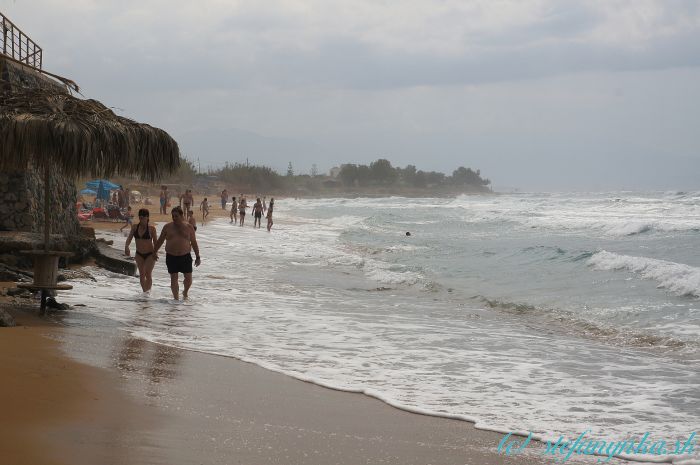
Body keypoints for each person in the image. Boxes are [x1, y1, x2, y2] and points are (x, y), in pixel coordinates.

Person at [154, 206, 201, 300]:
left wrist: (197, 256)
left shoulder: (189, 227)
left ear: (181, 216)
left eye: (176, 216)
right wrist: (154, 251)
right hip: (171, 256)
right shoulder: (167, 227)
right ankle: (176, 299)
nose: (174, 218)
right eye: (173, 216)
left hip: (185, 256)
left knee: (188, 279)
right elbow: (160, 240)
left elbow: (194, 242)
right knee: (173, 278)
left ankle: (185, 292)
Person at [124, 208, 159, 292]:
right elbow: (129, 238)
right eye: (140, 216)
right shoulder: (135, 227)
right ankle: (145, 293)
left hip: (150, 254)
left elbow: (156, 243)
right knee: (142, 275)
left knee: (148, 274)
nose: (141, 218)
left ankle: (148, 293)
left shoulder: (151, 229)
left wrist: (156, 253)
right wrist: (126, 246)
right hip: (139, 254)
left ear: (147, 217)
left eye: (143, 216)